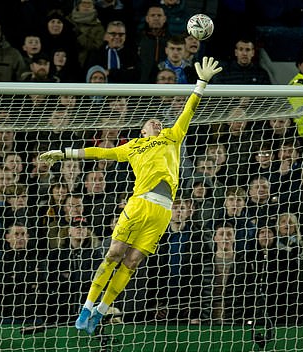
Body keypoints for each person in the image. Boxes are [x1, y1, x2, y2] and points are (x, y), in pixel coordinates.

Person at [39, 56, 222, 335]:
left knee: (132, 262)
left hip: (163, 212)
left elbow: (188, 110)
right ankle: (87, 306)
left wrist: (201, 83)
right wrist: (65, 153)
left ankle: (101, 311)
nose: (157, 123)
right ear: (142, 131)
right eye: (152, 122)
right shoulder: (132, 147)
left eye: (159, 121)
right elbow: (100, 152)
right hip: (139, 204)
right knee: (113, 253)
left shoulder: (172, 137)